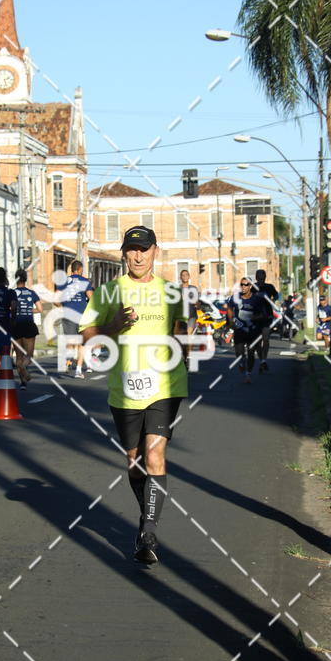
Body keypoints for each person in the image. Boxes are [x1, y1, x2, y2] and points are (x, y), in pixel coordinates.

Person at [80, 226, 188, 564]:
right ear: (123, 253)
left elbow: (181, 331)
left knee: (155, 457)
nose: (138, 256)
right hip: (125, 390)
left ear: (156, 250)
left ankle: (148, 530)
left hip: (165, 387)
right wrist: (113, 328)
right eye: (131, 250)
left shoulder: (172, 292)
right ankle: (148, 512)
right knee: (135, 462)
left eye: (144, 249)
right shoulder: (108, 293)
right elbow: (87, 338)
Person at [55, 260, 93, 379]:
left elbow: (56, 300)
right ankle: (78, 370)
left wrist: (63, 307)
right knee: (82, 343)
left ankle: (68, 358)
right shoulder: (85, 281)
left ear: (72, 269)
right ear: (80, 269)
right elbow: (92, 299)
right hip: (82, 315)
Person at [227, 278, 266, 383]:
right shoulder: (235, 297)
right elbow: (229, 308)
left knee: (251, 353)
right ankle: (241, 362)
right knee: (239, 353)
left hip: (253, 331)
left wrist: (254, 318)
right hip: (239, 329)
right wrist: (231, 322)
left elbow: (263, 314)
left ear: (250, 286)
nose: (243, 287)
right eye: (242, 285)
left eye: (246, 285)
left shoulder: (256, 299)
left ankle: (248, 374)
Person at [12, 269, 43, 388]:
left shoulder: (12, 293)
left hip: (16, 326)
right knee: (28, 356)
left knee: (18, 356)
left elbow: (12, 308)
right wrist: (28, 310)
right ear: (25, 279)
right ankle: (24, 368)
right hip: (29, 325)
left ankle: (23, 382)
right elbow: (40, 309)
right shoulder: (32, 293)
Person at [254, 269, 279, 372]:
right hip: (255, 318)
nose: (261, 280)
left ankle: (264, 360)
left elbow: (277, 295)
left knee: (266, 339)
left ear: (265, 277)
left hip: (267, 316)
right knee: (257, 343)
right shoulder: (252, 288)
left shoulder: (269, 287)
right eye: (259, 278)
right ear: (256, 278)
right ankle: (262, 361)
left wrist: (273, 299)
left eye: (263, 278)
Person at [179, 269, 199, 337]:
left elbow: (197, 302)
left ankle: (189, 348)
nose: (185, 276)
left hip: (191, 315)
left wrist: (197, 304)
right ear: (180, 277)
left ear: (189, 277)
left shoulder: (193, 288)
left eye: (186, 275)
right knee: (181, 336)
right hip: (181, 316)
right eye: (183, 275)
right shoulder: (177, 289)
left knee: (188, 334)